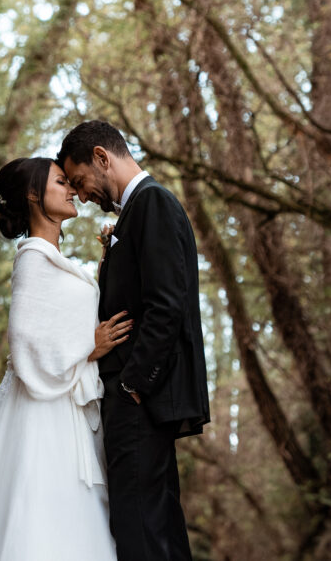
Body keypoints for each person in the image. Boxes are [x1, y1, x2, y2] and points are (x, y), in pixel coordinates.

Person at [0, 156, 132, 561]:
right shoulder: (33, 258)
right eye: (62, 182)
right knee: (42, 519)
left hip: (68, 408)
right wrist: (87, 347)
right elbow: (25, 339)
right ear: (33, 195)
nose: (73, 189)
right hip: (42, 413)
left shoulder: (53, 260)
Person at [58, 120, 211, 561]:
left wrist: (133, 385)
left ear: (103, 158)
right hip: (137, 398)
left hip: (140, 398)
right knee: (151, 523)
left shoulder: (153, 204)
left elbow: (167, 304)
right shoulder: (138, 211)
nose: (83, 196)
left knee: (140, 528)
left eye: (82, 182)